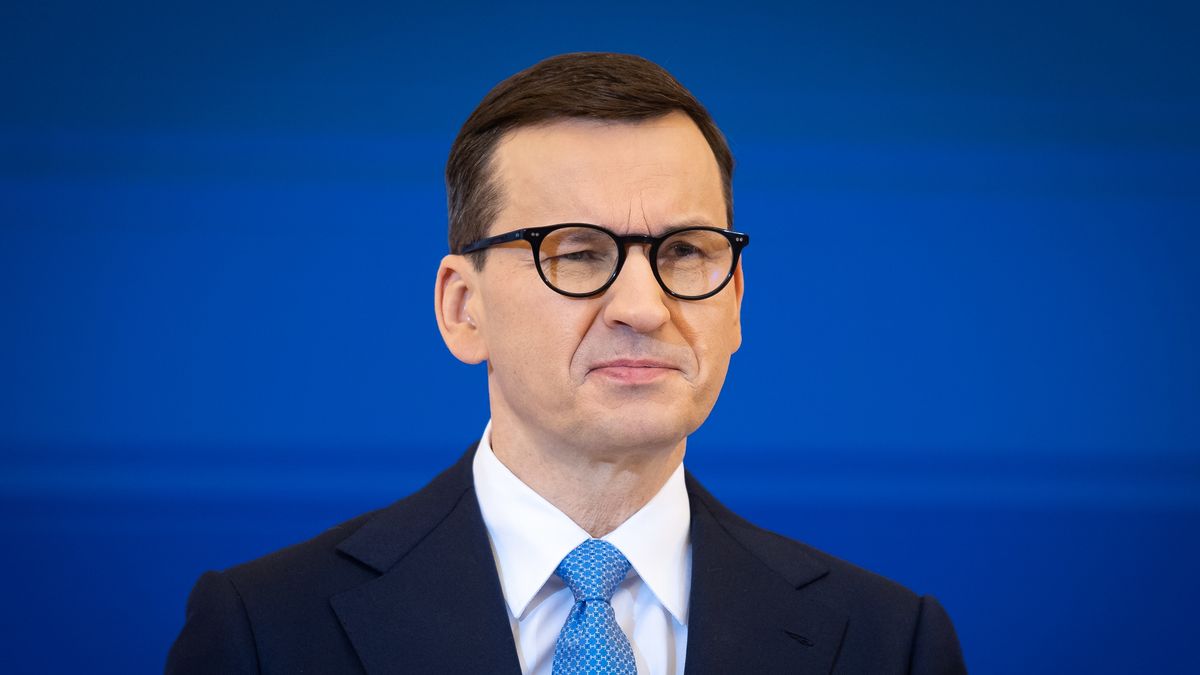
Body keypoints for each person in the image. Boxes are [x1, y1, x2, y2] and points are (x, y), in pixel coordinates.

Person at [166, 52, 967, 675]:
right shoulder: (266, 631)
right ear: (461, 306)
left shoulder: (888, 642)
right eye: (578, 253)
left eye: (685, 252)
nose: (643, 307)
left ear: (736, 301)